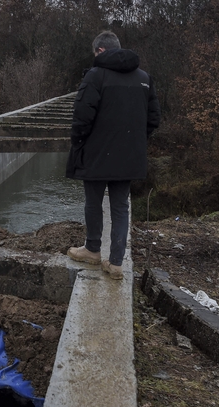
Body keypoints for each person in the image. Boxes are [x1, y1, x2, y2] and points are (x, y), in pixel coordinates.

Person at [66, 30, 161, 280]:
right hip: (128, 155)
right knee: (120, 206)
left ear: (99, 51)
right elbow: (154, 119)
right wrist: (135, 142)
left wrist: (78, 143)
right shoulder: (144, 78)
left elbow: (82, 117)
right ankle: (116, 263)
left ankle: (92, 249)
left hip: (96, 154)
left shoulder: (95, 76)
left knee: (93, 202)